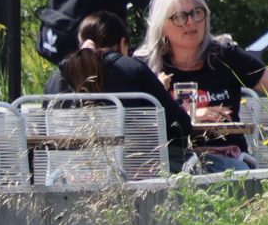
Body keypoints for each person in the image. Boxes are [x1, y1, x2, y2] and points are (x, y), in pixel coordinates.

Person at [142, 0, 268, 166]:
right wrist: (190, 116)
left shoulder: (226, 57)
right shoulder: (146, 68)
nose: (191, 22)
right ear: (161, 25)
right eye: (180, 17)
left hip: (228, 159)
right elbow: (136, 125)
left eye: (197, 13)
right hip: (172, 162)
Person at [46, 9, 182, 135]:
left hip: (68, 161)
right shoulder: (132, 69)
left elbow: (43, 133)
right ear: (122, 43)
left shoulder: (57, 77)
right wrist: (158, 92)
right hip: (129, 161)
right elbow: (181, 127)